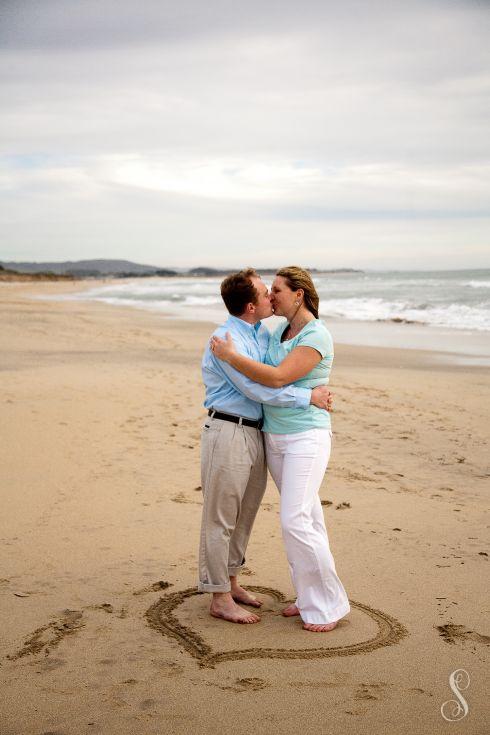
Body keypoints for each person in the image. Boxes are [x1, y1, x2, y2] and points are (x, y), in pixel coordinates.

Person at [210, 266, 350, 632]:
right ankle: (308, 596)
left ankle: (326, 606)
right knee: (308, 519)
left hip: (306, 436)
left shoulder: (317, 335)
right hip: (273, 436)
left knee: (295, 520)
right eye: (266, 290)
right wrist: (310, 395)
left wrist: (230, 356)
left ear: (299, 294)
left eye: (277, 290)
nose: (271, 296)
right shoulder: (275, 332)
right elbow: (260, 377)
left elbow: (275, 377)